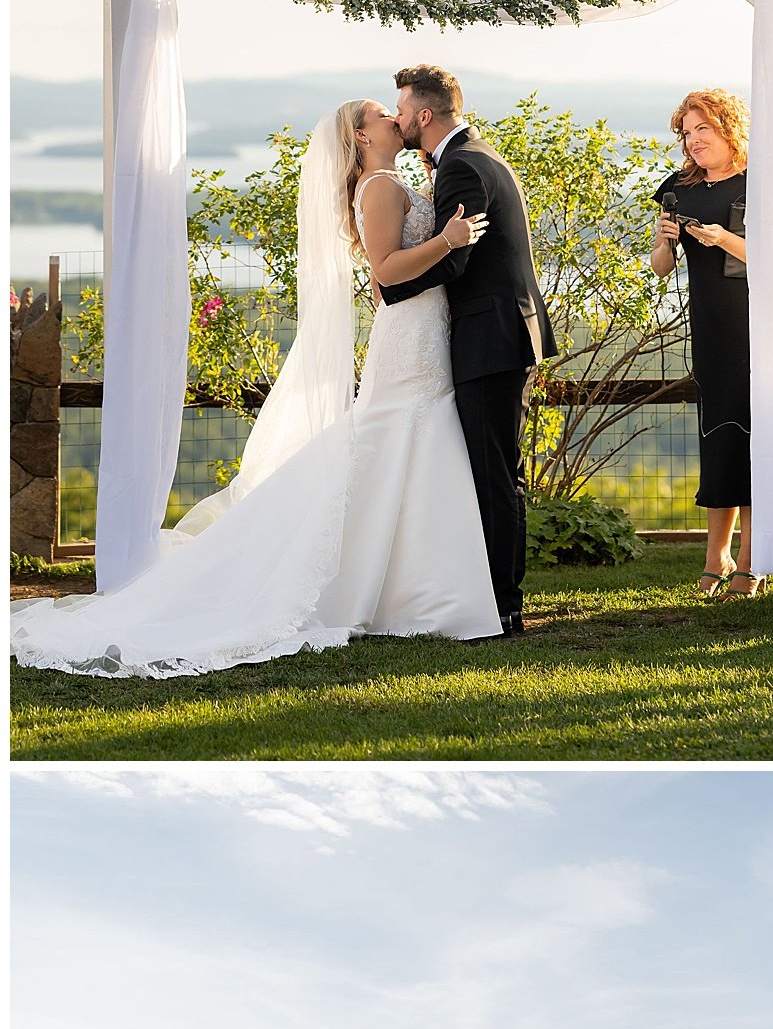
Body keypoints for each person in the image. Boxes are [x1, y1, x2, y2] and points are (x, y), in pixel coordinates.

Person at [11, 99, 502, 676]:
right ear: (360, 136)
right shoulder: (381, 186)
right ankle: (410, 593)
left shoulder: (394, 180)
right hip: (412, 336)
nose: (395, 120)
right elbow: (386, 270)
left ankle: (415, 591)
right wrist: (449, 239)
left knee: (405, 448)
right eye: (380, 115)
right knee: (392, 441)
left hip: (419, 329)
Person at [377, 66, 557, 638]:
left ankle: (503, 605)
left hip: (489, 336)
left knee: (494, 474)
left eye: (400, 109)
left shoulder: (460, 166)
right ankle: (498, 596)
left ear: (424, 115)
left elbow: (458, 260)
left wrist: (389, 290)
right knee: (496, 469)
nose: (397, 117)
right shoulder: (478, 154)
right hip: (502, 331)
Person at [651, 90, 760, 597]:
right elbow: (661, 266)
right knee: (718, 435)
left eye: (703, 130)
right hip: (710, 326)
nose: (693, 141)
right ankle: (714, 557)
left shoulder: (757, 181)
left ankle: (751, 559)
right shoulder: (678, 189)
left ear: (727, 128)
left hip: (755, 325)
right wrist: (663, 240)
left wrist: (724, 240)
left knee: (754, 439)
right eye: (687, 133)